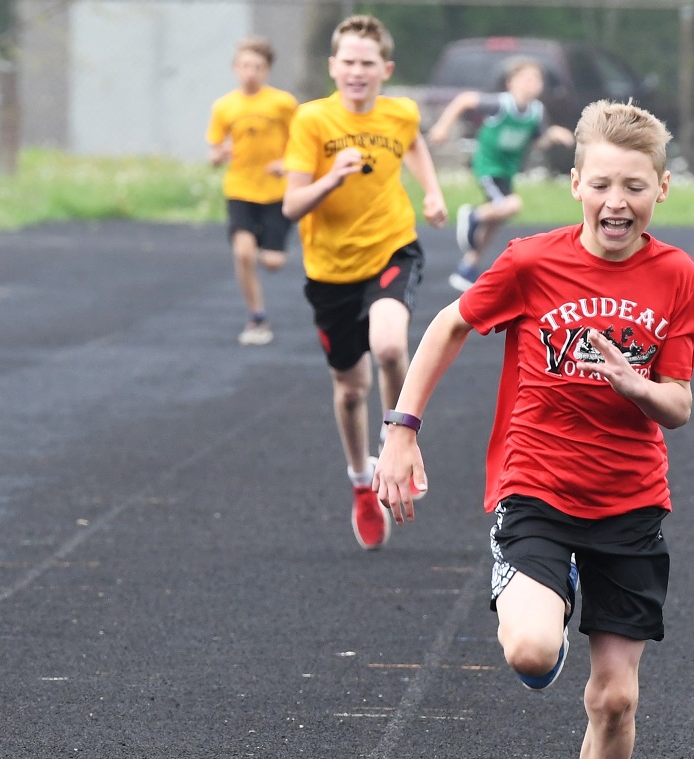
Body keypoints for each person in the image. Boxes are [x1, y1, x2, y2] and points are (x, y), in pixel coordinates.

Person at [374, 100, 694, 759]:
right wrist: (402, 431)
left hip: (630, 502)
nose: (616, 201)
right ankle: (532, 601)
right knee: (528, 652)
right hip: (538, 488)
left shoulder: (677, 278)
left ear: (660, 188)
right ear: (574, 186)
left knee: (615, 700)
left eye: (634, 185)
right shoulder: (529, 261)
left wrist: (638, 387)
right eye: (601, 184)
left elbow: (680, 402)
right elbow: (449, 325)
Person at [281, 14, 447, 550]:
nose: (357, 72)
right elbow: (291, 205)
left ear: (385, 69)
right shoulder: (311, 121)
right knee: (351, 390)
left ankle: (397, 444)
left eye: (367, 64)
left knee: (391, 343)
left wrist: (432, 191)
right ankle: (360, 480)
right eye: (348, 62)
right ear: (333, 67)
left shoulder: (400, 113)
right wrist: (333, 177)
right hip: (330, 271)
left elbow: (415, 144)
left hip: (391, 246)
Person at [428, 57, 576, 292]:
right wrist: (443, 127)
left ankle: (468, 267)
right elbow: (465, 100)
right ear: (511, 83)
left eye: (536, 79)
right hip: (487, 167)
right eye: (526, 78)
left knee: (496, 219)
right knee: (512, 205)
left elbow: (539, 142)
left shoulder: (536, 112)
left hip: (506, 171)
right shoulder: (500, 104)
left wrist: (554, 134)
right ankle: (473, 215)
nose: (532, 83)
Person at [206, 36, 298, 345]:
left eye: (257, 67)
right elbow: (214, 150)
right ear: (235, 69)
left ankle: (264, 239)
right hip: (240, 189)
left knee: (272, 262)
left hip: (276, 192)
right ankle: (257, 316)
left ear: (267, 71)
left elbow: (304, 143)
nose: (251, 72)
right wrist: (218, 156)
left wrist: (286, 163)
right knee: (243, 253)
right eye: (245, 66)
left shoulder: (283, 103)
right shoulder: (224, 106)